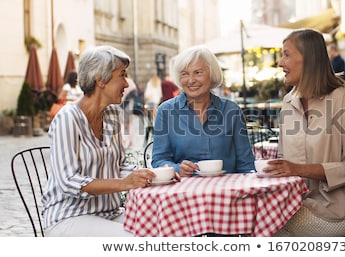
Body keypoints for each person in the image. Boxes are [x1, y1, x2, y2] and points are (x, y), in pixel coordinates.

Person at [266, 29, 345, 236]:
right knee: (264, 222)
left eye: (286, 55)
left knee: (272, 230)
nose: (280, 63)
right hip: (300, 201)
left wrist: (297, 169)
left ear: (309, 59)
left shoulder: (343, 100)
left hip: (344, 206)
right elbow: (283, 157)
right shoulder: (289, 102)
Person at [42, 45, 156, 236]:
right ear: (100, 80)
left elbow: (120, 164)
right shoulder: (68, 118)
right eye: (122, 75)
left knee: (159, 229)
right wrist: (125, 183)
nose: (127, 84)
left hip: (108, 213)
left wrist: (149, 175)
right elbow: (69, 182)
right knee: (136, 241)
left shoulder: (112, 113)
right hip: (68, 216)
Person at [151, 46, 255, 176]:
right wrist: (177, 169)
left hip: (227, 191)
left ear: (212, 74)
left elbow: (246, 164)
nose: (191, 80)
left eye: (198, 72)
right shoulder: (166, 111)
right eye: (185, 74)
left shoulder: (232, 111)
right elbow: (158, 160)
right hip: (184, 191)